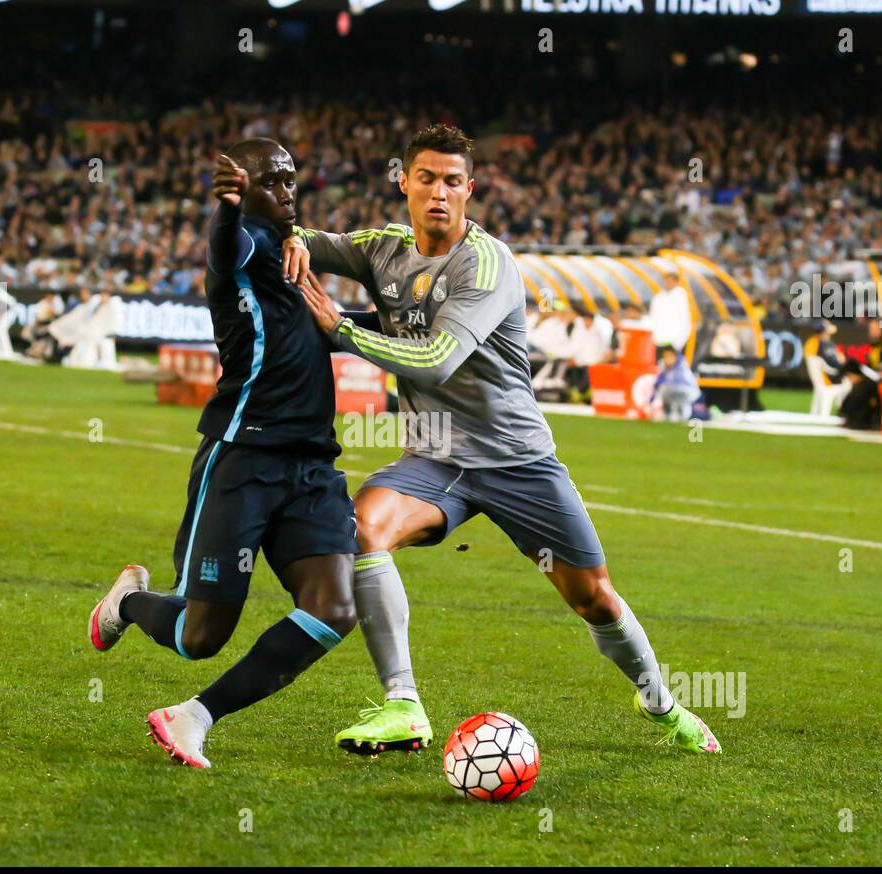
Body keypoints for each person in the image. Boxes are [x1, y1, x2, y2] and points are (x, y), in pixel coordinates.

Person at [286, 124, 720, 756]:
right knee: (360, 528)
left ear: (471, 189)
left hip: (518, 463)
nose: (439, 193)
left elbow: (436, 359)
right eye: (426, 178)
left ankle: (660, 699)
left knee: (593, 598)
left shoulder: (488, 264)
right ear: (403, 181)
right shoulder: (382, 248)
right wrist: (293, 239)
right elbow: (314, 242)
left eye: (453, 182)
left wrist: (341, 331)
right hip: (435, 458)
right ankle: (403, 705)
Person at [86, 140, 358, 769]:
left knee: (335, 609)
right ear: (245, 188)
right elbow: (224, 248)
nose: (287, 189)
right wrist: (230, 211)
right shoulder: (249, 246)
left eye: (291, 178)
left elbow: (321, 327)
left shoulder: (297, 255)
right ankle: (127, 601)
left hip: (312, 467)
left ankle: (194, 717)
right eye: (272, 180)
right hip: (244, 461)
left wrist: (386, 324)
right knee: (200, 635)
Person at [652, 346, 701, 422]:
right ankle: (668, 415)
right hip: (675, 391)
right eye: (665, 356)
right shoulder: (664, 365)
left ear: (675, 356)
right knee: (664, 390)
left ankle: (684, 416)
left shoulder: (681, 366)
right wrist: (651, 399)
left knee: (666, 389)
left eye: (670, 356)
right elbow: (658, 382)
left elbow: (674, 382)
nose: (667, 359)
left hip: (689, 391)